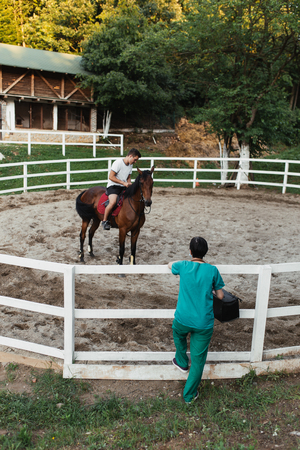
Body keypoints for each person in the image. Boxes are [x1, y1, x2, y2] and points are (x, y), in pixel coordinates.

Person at [168, 236, 225, 404]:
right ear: (206, 252)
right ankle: (189, 396)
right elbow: (221, 295)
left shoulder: (183, 266)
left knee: (178, 334)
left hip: (183, 318)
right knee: (199, 360)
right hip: (203, 322)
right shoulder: (212, 270)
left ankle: (181, 361)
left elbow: (171, 264)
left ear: (190, 251)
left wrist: (185, 259)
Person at [102, 148, 141, 230]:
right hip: (113, 186)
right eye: (135, 159)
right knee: (112, 202)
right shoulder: (118, 163)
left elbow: (128, 177)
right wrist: (123, 183)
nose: (135, 161)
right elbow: (111, 177)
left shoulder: (130, 165)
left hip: (123, 186)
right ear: (130, 156)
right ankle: (105, 221)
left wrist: (129, 183)